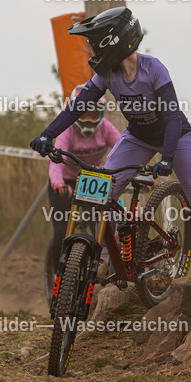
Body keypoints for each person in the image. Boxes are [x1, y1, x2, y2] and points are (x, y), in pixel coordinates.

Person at [31, 6, 191, 248]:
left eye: (95, 45)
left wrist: (167, 157)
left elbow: (172, 116)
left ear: (112, 43)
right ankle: (108, 259)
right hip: (138, 137)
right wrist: (47, 134)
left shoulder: (153, 69)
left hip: (175, 137)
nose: (92, 51)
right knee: (101, 196)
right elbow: (77, 106)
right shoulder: (107, 74)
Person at [46, 85, 120, 267]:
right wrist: (57, 183)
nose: (87, 120)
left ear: (101, 113)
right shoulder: (67, 130)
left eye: (93, 114)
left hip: (93, 181)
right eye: (83, 113)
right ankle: (58, 274)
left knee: (101, 230)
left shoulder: (106, 128)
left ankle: (97, 266)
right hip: (66, 183)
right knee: (61, 232)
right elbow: (56, 160)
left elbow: (122, 150)